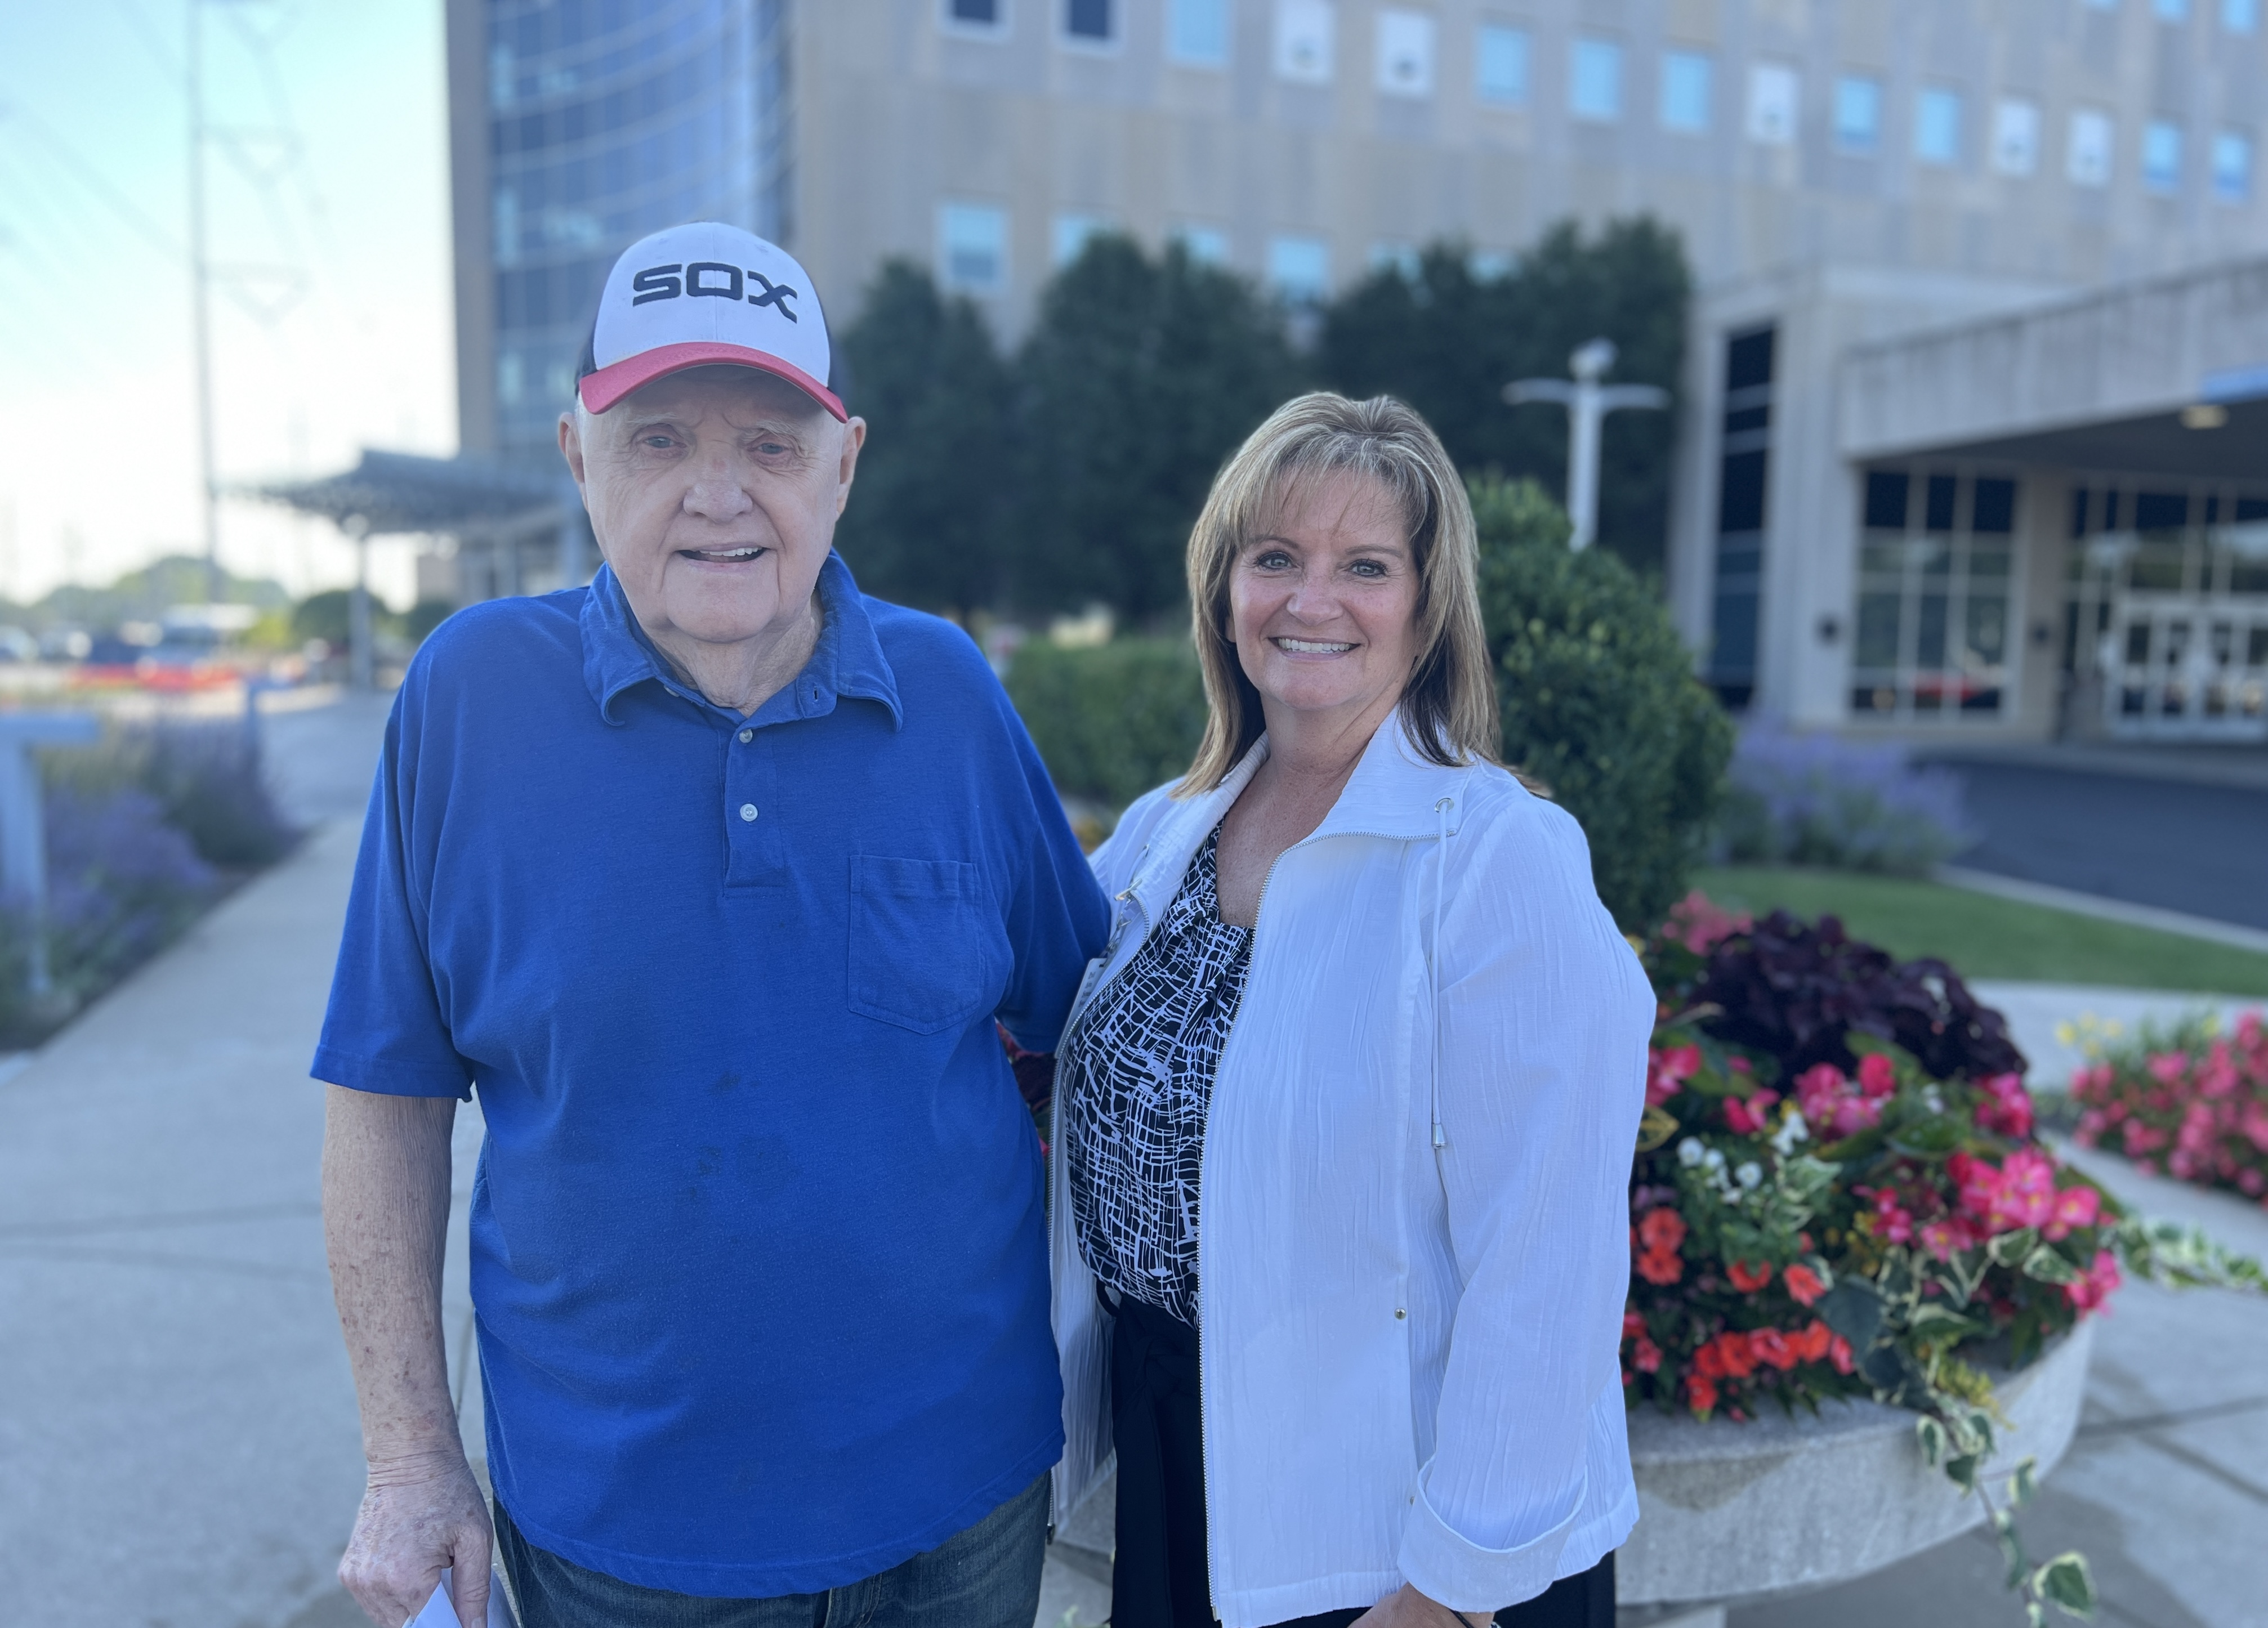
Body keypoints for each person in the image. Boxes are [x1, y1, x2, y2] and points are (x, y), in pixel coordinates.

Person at [315, 221, 1107, 1628]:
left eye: (772, 445)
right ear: (578, 455)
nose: (718, 495)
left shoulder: (952, 697)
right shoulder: (469, 700)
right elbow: (387, 1098)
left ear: (844, 463)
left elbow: (1073, 1029)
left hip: (964, 1505)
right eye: (661, 438)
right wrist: (411, 1460)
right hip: (623, 1542)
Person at [1048, 393, 1653, 1628]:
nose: (1310, 601)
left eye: (1364, 567)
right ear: (1224, 590)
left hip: (1405, 1533)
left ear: (1427, 614)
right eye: (1274, 559)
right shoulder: (1169, 832)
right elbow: (1033, 1023)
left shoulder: (1498, 861)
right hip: (1190, 1457)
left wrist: (1452, 1582)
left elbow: (1549, 1261)